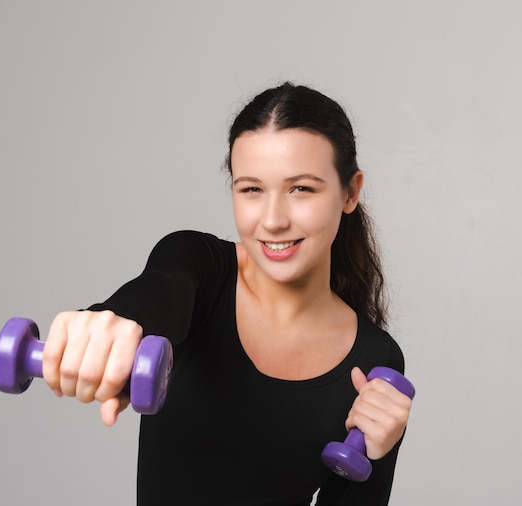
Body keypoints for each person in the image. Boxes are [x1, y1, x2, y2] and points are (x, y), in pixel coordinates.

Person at [42, 82, 413, 505]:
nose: (272, 220)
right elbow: (158, 292)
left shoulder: (377, 360)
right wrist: (112, 319)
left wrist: (383, 452)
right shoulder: (199, 266)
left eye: (301, 189)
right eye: (251, 189)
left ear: (350, 192)